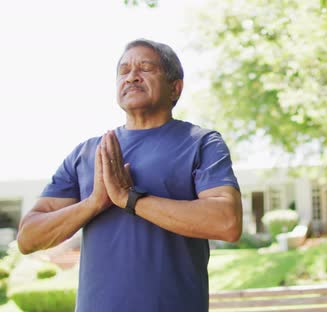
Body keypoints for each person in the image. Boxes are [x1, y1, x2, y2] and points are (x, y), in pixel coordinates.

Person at [17, 39, 243, 312]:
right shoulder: (87, 153)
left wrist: (130, 199)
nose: (132, 77)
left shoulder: (201, 142)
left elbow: (227, 222)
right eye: (123, 71)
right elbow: (28, 239)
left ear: (175, 87)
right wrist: (94, 203)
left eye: (145, 68)